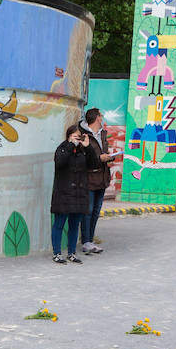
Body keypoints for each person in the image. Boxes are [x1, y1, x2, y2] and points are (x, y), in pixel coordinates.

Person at [50, 123, 90, 264]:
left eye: (79, 137)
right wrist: (70, 146)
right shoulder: (62, 149)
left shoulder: (83, 151)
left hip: (79, 194)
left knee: (74, 225)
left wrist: (87, 147)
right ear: (68, 137)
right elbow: (60, 163)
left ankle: (72, 252)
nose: (77, 140)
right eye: (74, 137)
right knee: (59, 224)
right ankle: (57, 253)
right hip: (64, 193)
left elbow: (93, 164)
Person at [78, 108, 114, 253]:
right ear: (96, 118)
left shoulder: (102, 134)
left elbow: (102, 153)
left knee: (96, 211)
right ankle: (85, 241)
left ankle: (90, 240)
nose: (103, 117)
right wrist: (99, 158)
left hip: (102, 177)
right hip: (89, 178)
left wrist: (109, 157)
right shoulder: (83, 135)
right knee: (88, 210)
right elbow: (81, 157)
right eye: (101, 115)